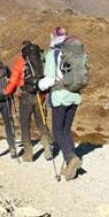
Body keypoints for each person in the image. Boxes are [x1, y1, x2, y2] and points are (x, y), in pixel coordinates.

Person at [38, 27, 82, 181]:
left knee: (57, 130)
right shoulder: (77, 52)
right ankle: (70, 164)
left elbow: (49, 79)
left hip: (59, 96)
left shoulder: (53, 53)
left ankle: (71, 157)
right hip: (75, 95)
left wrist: (40, 85)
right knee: (66, 129)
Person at [5, 41, 54, 162]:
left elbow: (14, 80)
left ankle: (28, 154)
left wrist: (6, 92)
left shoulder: (20, 61)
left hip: (25, 96)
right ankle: (47, 146)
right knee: (41, 122)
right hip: (39, 95)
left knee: (25, 124)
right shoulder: (40, 58)